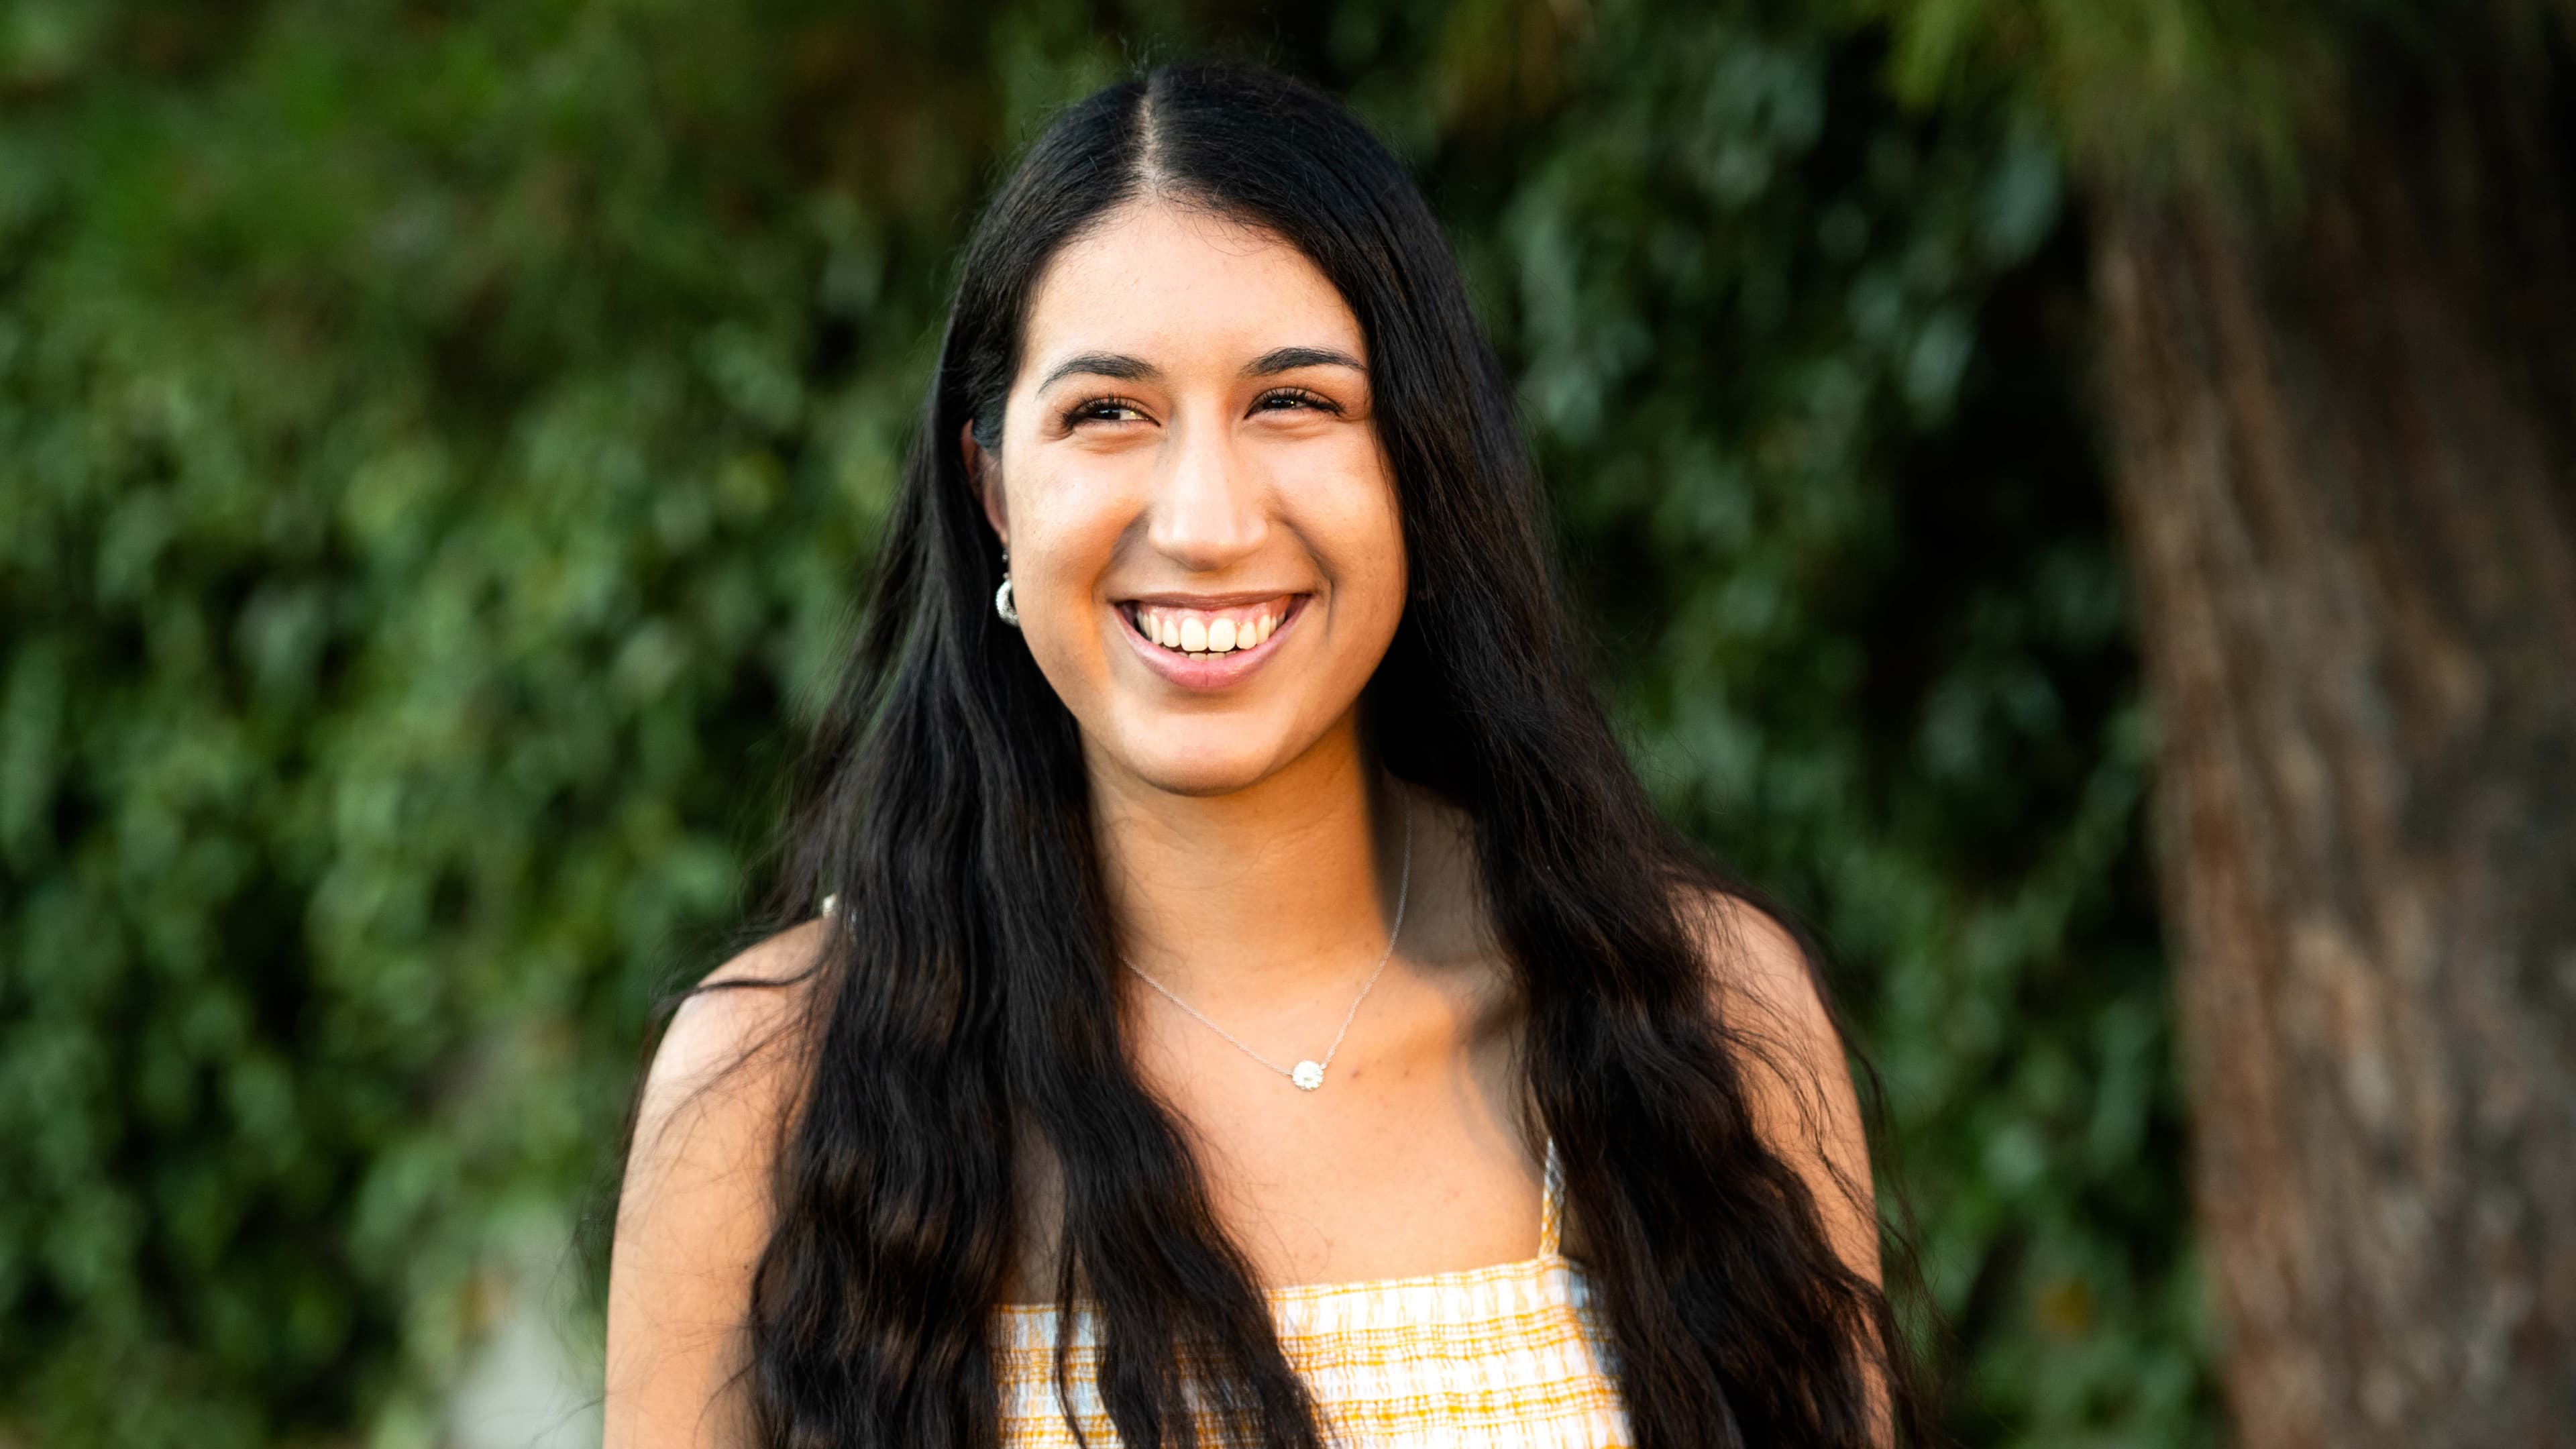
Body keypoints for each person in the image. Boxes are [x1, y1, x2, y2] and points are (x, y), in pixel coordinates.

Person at [603, 58, 1916, 1449]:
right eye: (1108, 412)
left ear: (1417, 462)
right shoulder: (773, 1089)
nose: (1209, 520)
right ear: (993, 488)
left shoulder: (1698, 1023)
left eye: (1294, 402)